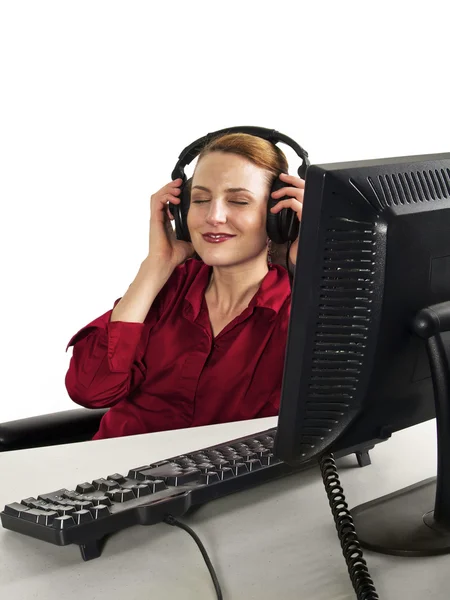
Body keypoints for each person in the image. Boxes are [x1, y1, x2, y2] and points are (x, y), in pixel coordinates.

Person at [65, 132, 305, 440]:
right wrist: (156, 265)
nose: (213, 217)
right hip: (113, 479)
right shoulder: (165, 291)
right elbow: (91, 390)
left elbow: (342, 400)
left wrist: (315, 269)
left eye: (239, 201)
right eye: (201, 200)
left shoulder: (301, 308)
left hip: (228, 485)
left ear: (281, 216)